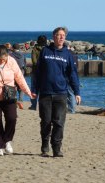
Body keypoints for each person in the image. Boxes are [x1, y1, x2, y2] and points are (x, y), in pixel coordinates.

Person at [34, 27, 81, 157]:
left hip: (61, 93)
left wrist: (77, 92)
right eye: (59, 35)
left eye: (63, 35)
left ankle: (57, 148)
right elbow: (37, 73)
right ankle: (44, 147)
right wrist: (34, 90)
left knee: (59, 122)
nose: (61, 37)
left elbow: (73, 74)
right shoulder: (45, 51)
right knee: (46, 122)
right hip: (45, 93)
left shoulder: (68, 54)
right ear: (54, 37)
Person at [0, 44, 35, 156]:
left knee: (12, 118)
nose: (2, 61)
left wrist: (28, 92)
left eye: (4, 58)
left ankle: (7, 141)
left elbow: (19, 78)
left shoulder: (11, 61)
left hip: (9, 96)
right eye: (0, 59)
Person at [29, 35, 48, 111]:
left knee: (34, 89)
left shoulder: (34, 49)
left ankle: (33, 105)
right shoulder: (48, 49)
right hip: (46, 72)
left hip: (36, 71)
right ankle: (43, 106)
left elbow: (34, 61)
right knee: (44, 89)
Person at [9, 43, 26, 108]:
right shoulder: (22, 54)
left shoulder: (11, 54)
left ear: (13, 48)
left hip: (13, 71)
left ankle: (15, 101)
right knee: (21, 87)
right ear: (19, 48)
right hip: (21, 71)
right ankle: (21, 101)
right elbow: (25, 63)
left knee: (13, 86)